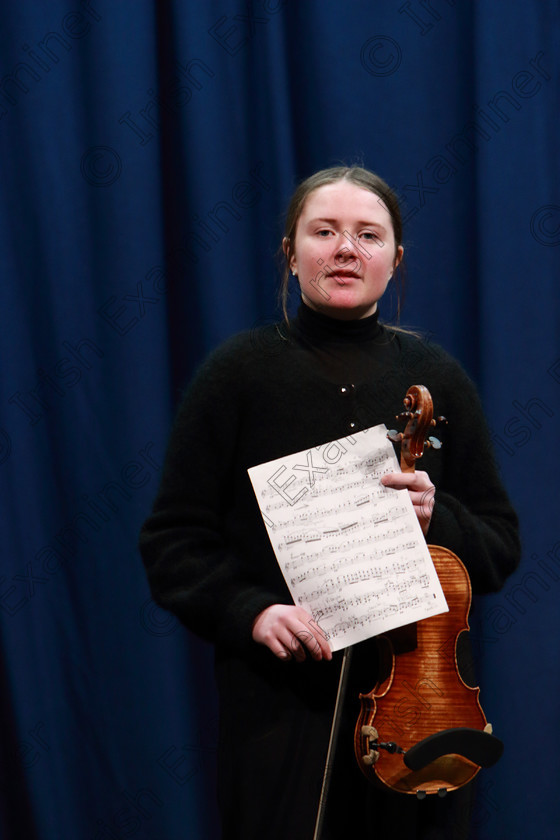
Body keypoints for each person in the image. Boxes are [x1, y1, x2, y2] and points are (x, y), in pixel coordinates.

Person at [139, 166, 520, 839]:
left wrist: (442, 518)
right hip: (279, 708)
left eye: (368, 235)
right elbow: (174, 541)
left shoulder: (438, 380)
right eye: (324, 231)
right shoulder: (236, 375)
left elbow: (499, 547)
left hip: (419, 712)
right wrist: (250, 611)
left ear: (394, 259)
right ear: (290, 251)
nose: (346, 249)